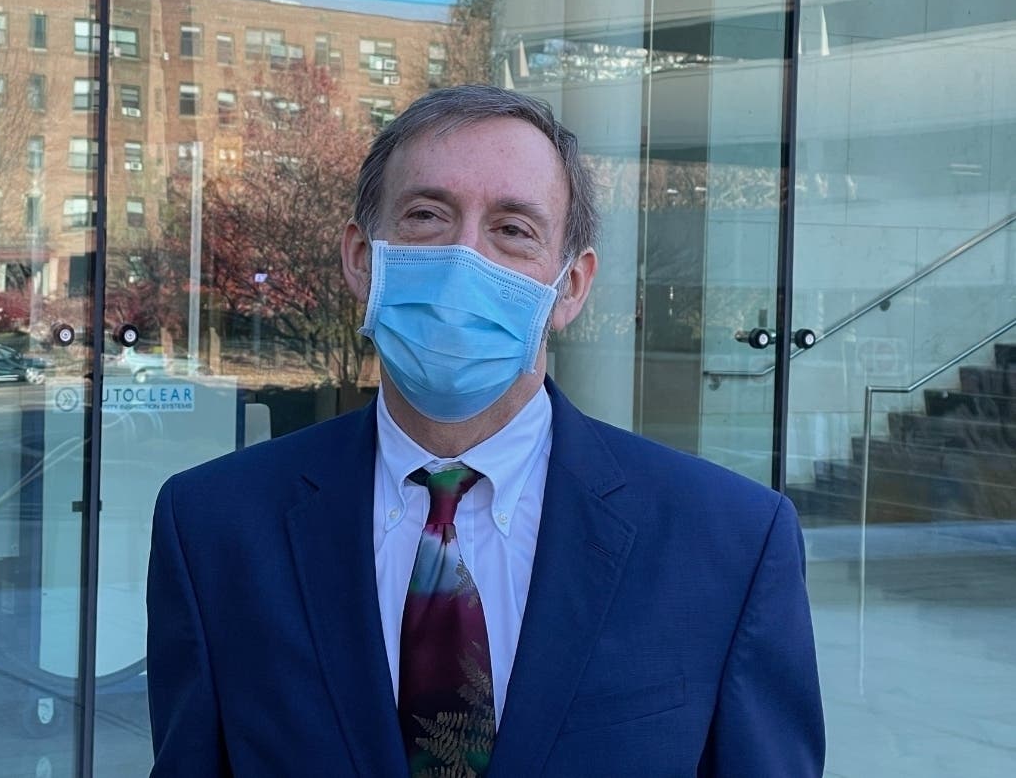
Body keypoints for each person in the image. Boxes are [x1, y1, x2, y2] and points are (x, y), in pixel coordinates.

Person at [147, 85, 825, 777]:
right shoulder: (213, 527)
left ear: (569, 288)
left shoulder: (730, 541)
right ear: (360, 258)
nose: (463, 258)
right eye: (425, 215)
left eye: (512, 229)